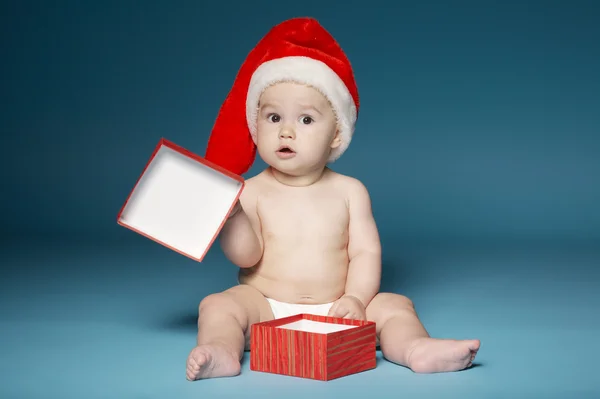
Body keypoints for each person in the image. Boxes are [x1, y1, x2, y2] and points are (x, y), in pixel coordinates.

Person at [186, 17, 480, 380]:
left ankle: (415, 348)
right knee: (217, 306)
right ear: (255, 126)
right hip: (265, 307)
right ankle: (222, 351)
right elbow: (248, 256)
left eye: (306, 120)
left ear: (337, 135)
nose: (287, 130)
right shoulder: (253, 190)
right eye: (274, 117)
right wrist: (233, 217)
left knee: (393, 306)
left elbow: (364, 253)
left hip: (339, 308)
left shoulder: (349, 192)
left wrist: (356, 299)